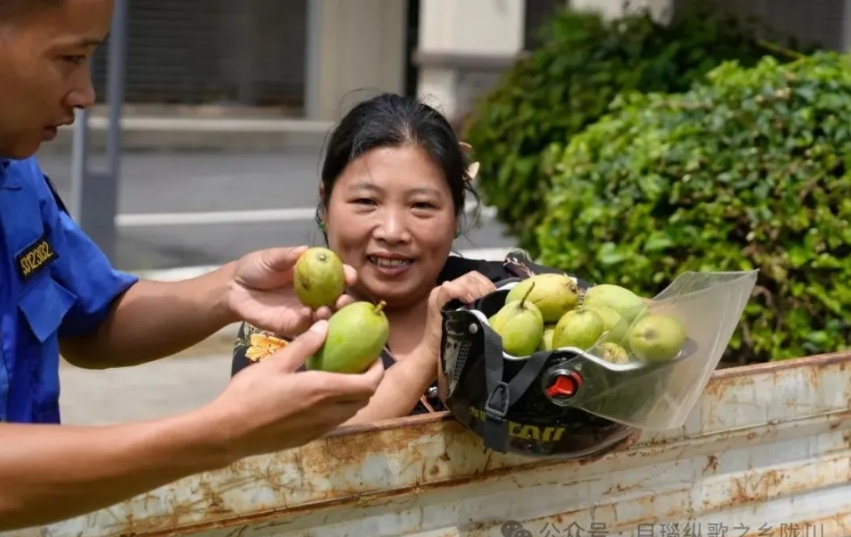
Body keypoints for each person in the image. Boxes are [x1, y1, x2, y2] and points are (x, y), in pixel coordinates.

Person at [0, 0, 384, 530]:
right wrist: (220, 433)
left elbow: (93, 319)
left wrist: (229, 290)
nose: (85, 94)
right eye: (69, 58)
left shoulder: (17, 178)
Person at [232, 93, 564, 422]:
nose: (392, 231)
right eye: (366, 201)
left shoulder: (511, 297)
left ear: (457, 216)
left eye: (421, 205)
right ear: (326, 205)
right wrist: (430, 353)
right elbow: (274, 440)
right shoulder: (283, 323)